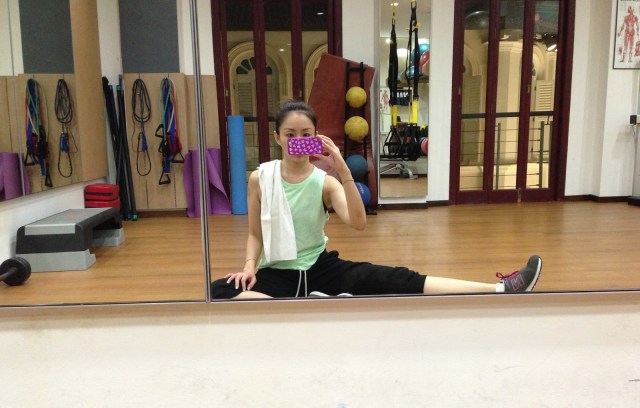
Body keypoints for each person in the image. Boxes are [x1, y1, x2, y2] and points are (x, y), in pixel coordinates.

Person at [211, 100, 542, 299]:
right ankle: (306, 301)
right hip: (276, 272)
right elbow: (255, 234)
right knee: (219, 290)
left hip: (319, 268)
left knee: (397, 277)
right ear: (277, 138)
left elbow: (359, 223)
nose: (298, 141)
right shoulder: (260, 178)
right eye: (290, 135)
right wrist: (249, 268)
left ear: (316, 138)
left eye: (306, 135)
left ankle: (500, 289)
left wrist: (341, 166)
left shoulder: (325, 183)